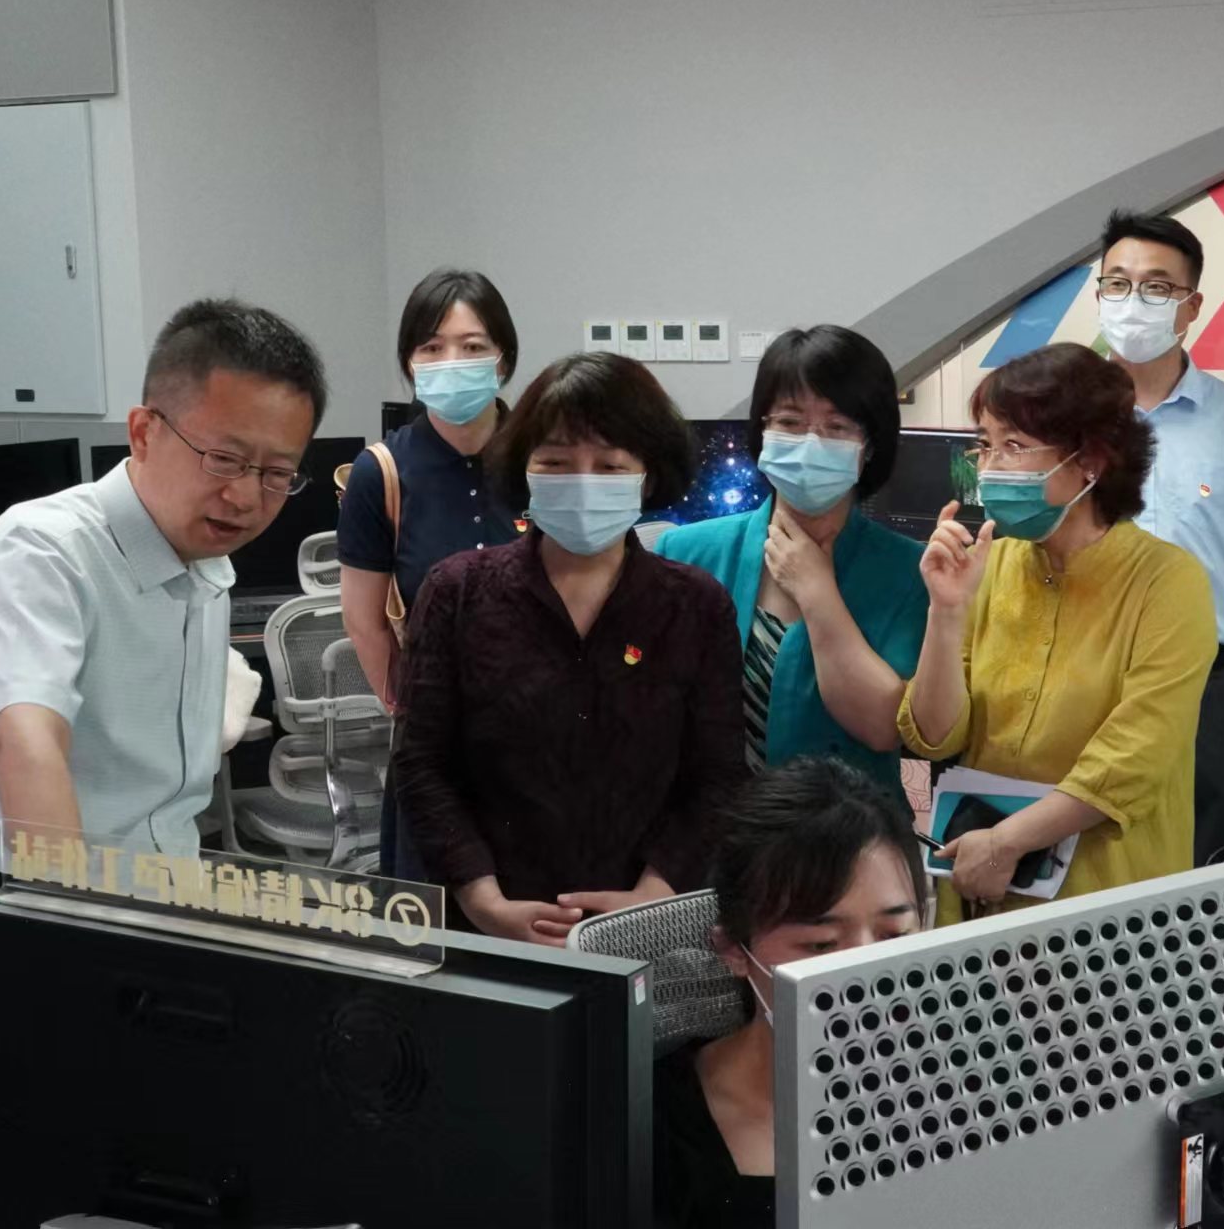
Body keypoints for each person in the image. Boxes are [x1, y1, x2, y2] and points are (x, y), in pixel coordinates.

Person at [0, 300, 326, 856]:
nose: (245, 497)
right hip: (43, 896)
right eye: (223, 459)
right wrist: (73, 903)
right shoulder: (40, 552)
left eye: (277, 473)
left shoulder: (207, 564)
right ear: (142, 432)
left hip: (166, 892)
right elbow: (29, 743)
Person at [392, 352, 746, 944]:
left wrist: (652, 899)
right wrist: (483, 901)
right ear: (524, 468)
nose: (583, 482)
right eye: (556, 462)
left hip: (648, 929)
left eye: (610, 466)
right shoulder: (457, 592)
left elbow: (718, 776)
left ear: (646, 475)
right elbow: (421, 763)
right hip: (488, 925)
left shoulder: (696, 606)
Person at [900, 343, 1214, 923]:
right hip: (981, 887)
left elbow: (1133, 757)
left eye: (1014, 447)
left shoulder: (1167, 581)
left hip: (1104, 896)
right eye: (985, 446)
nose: (989, 469)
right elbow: (935, 737)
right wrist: (945, 611)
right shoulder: (990, 564)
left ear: (1090, 460)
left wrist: (1007, 843)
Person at [1095, 210, 1224, 862]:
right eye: (1117, 283)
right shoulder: (1061, 417)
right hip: (1087, 676)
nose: (1134, 301)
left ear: (1191, 307)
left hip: (1210, 687)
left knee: (1205, 865)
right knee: (1090, 857)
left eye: (1157, 287)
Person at [656, 326, 927, 801]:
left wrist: (817, 594)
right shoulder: (684, 552)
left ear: (870, 446)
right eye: (790, 421)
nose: (810, 442)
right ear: (762, 431)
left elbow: (885, 727)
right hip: (706, 831)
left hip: (847, 832)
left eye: (837, 427)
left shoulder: (911, 571)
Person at [655, 758, 927, 1229]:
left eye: (894, 935)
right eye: (821, 944)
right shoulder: (653, 1126)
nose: (863, 972)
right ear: (734, 949)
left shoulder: (954, 1088)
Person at [338, 268, 523, 878]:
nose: (452, 362)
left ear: (503, 357)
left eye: (472, 346)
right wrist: (411, 709)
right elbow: (364, 620)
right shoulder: (382, 472)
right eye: (432, 347)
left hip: (545, 739)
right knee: (434, 910)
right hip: (435, 743)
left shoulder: (544, 456)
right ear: (410, 362)